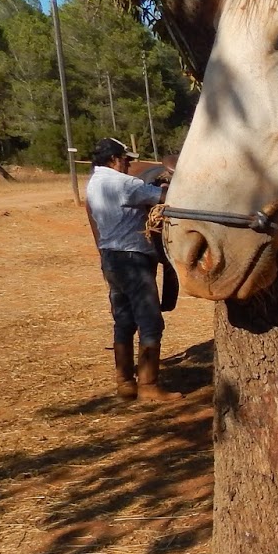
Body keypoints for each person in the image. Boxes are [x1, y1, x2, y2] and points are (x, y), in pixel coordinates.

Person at [86, 137, 179, 401]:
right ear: (115, 159)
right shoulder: (125, 183)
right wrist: (163, 188)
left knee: (123, 320)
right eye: (126, 160)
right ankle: (149, 386)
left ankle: (125, 381)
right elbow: (165, 198)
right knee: (150, 321)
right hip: (134, 258)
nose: (128, 165)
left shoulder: (94, 183)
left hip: (110, 258)